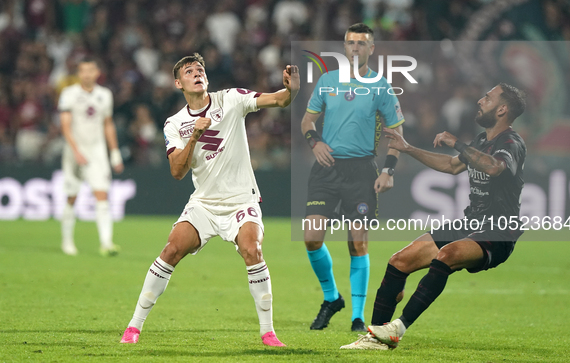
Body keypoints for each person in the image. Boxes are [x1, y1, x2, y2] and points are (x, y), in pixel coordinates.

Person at [120, 53, 299, 347]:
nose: (196, 73)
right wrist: (195, 136)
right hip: (204, 203)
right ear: (178, 83)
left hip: (241, 199)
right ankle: (134, 326)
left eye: (200, 69)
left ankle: (268, 332)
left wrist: (291, 90)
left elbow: (278, 100)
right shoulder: (174, 123)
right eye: (189, 71)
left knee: (252, 250)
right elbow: (177, 171)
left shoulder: (231, 99)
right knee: (171, 250)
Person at [341, 83, 527, 350]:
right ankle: (375, 338)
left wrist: (457, 143)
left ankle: (398, 328)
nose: (480, 100)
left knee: (447, 256)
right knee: (398, 262)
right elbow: (452, 166)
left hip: (497, 231)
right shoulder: (481, 141)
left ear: (502, 109)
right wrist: (408, 148)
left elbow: (495, 167)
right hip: (470, 223)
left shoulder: (511, 142)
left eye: (487, 97)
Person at [302, 23, 405, 332]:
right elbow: (308, 119)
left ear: (371, 49)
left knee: (357, 243)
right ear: (344, 48)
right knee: (311, 237)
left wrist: (388, 170)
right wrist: (315, 142)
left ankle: (357, 317)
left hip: (361, 171)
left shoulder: (381, 86)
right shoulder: (327, 81)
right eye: (350, 42)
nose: (355, 47)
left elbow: (396, 133)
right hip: (326, 169)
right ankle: (332, 298)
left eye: (362, 43)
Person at [58, 58, 124, 256]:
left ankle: (106, 243)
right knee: (72, 196)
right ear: (78, 73)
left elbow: (108, 124)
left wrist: (114, 152)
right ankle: (67, 241)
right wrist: (76, 151)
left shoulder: (105, 95)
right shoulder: (69, 94)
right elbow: (65, 125)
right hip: (74, 151)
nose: (86, 74)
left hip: (97, 151)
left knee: (102, 194)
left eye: (90, 70)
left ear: (97, 73)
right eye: (83, 71)